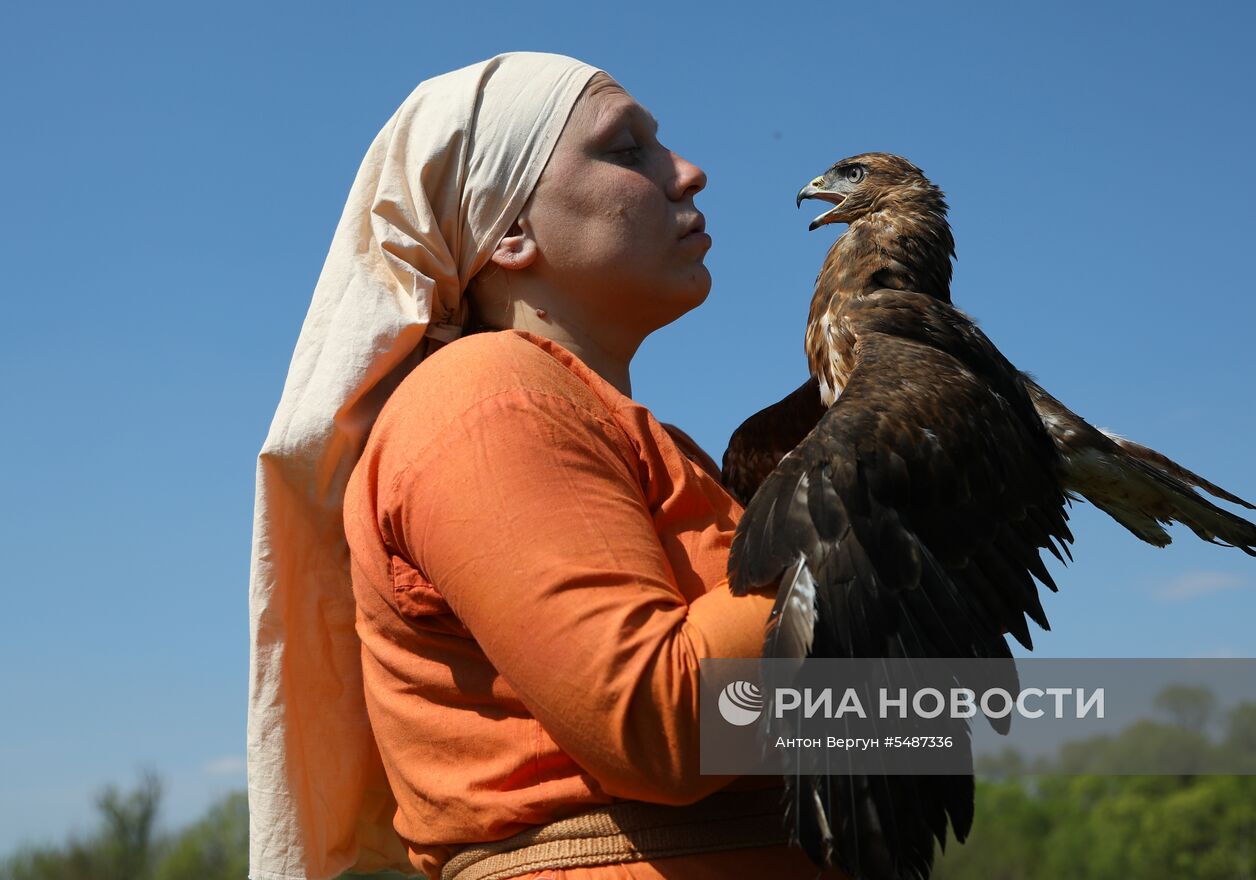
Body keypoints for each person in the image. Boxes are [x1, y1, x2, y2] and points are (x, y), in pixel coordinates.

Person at [248, 52, 849, 880]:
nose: (690, 172)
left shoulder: (664, 447)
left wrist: (979, 704)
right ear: (512, 232)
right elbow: (664, 722)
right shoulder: (484, 396)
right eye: (627, 148)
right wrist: (869, 528)